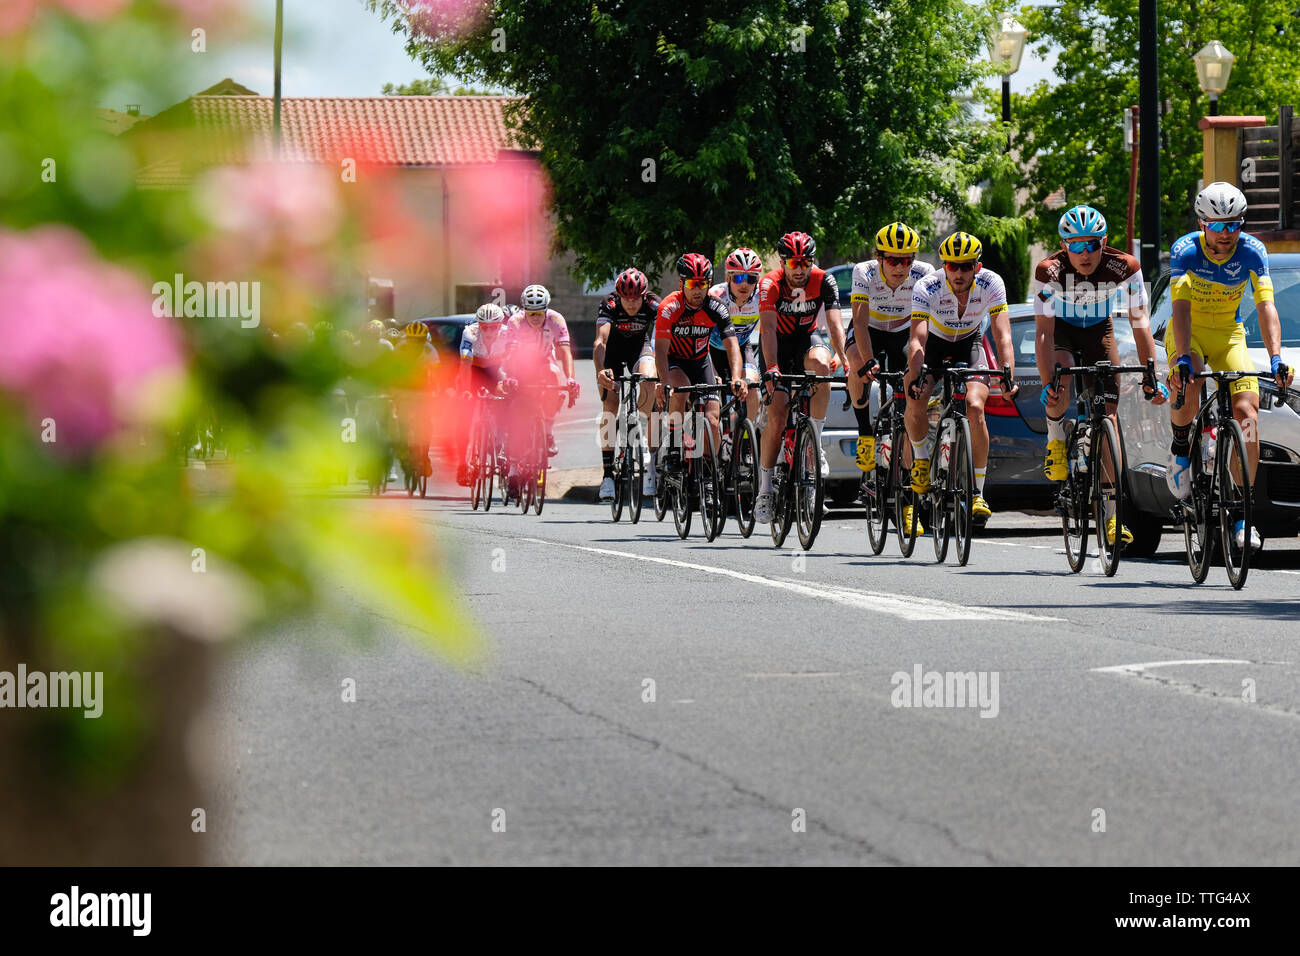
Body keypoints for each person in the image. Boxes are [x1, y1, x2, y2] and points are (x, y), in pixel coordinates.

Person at [1165, 182, 1293, 551]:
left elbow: (1267, 306)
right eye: (1217, 225)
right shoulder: (1185, 251)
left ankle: (1241, 512)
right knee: (1188, 383)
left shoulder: (1253, 251)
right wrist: (1185, 355)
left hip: (1231, 335)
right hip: (1190, 332)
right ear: (1203, 223)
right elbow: (1181, 308)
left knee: (1248, 414)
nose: (1226, 233)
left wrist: (1276, 356)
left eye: (1234, 224)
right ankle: (1179, 450)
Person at [1033, 204, 1167, 546]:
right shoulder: (1048, 270)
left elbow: (1140, 324)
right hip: (1061, 331)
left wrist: (1151, 374)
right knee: (1060, 380)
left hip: (1099, 331)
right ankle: (1055, 436)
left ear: (1103, 242)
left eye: (1091, 244)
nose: (1084, 253)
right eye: (1075, 245)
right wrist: (1048, 381)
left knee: (1108, 415)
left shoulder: (1125, 266)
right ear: (1064, 246)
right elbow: (1044, 335)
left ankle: (1111, 518)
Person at [904, 231, 1017, 521]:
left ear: (977, 267)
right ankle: (919, 459)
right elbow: (917, 338)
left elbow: (1003, 334)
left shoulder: (991, 282)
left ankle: (978, 493)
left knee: (976, 406)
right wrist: (916, 375)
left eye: (966, 266)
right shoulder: (927, 286)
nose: (959, 272)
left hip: (971, 343)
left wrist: (1007, 373)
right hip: (934, 345)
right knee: (915, 399)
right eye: (952, 266)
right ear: (944, 265)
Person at [754, 231, 847, 523]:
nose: (799, 268)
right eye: (793, 263)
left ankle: (814, 445)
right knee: (778, 418)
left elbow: (833, 322)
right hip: (776, 346)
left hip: (807, 338)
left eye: (805, 262)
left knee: (822, 365)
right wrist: (771, 368)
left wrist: (842, 356)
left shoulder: (824, 280)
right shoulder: (770, 283)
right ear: (783, 262)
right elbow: (767, 329)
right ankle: (765, 488)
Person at [848, 221, 934, 533]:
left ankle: (908, 501)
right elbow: (858, 322)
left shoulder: (925, 273)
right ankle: (865, 434)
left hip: (901, 332)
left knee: (911, 408)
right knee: (855, 360)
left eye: (907, 260)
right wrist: (869, 360)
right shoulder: (864, 272)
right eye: (893, 260)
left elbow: (924, 326)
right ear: (879, 257)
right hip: (869, 330)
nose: (901, 267)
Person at [654, 253, 746, 476]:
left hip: (701, 362)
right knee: (680, 389)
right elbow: (661, 349)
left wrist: (736, 377)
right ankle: (675, 449)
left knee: (713, 421)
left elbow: (733, 345)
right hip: (674, 361)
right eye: (692, 284)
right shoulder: (669, 307)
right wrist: (663, 381)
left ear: (709, 284)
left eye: (702, 284)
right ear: (681, 284)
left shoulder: (716, 307)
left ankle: (707, 473)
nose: (698, 290)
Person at [499, 284, 579, 500]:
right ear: (524, 310)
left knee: (554, 377)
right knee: (517, 413)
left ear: (546, 310)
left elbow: (564, 352)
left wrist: (570, 379)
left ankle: (547, 430)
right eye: (531, 313)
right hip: (521, 366)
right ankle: (514, 472)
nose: (535, 318)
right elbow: (510, 355)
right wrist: (512, 377)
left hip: (544, 362)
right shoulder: (515, 322)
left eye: (539, 313)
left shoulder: (556, 320)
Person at [593, 268, 661, 501]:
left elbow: (662, 337)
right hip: (611, 353)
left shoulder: (653, 304)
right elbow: (600, 341)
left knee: (650, 381)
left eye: (635, 299)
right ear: (619, 296)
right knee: (610, 407)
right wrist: (601, 370)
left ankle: (639, 427)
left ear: (644, 295)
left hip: (638, 349)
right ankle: (607, 475)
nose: (631, 304)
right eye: (626, 299)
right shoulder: (609, 304)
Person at [709, 248, 764, 430]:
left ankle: (747, 440)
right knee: (710, 390)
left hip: (741, 347)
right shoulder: (716, 296)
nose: (744, 284)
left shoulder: (761, 298)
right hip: (712, 349)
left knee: (753, 387)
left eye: (751, 279)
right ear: (728, 278)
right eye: (738, 278)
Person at [455, 303, 510, 486]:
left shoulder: (507, 333)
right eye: (484, 327)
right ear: (479, 325)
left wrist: (506, 383)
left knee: (505, 403)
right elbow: (465, 364)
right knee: (464, 419)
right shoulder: (470, 332)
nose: (488, 331)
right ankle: (463, 464)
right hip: (474, 370)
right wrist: (464, 390)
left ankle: (501, 445)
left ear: (500, 325)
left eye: (493, 327)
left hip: (497, 370)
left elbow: (510, 364)